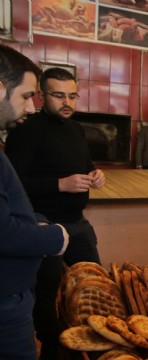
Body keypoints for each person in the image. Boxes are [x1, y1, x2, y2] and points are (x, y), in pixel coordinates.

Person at [4, 67, 105, 359]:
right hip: (43, 226)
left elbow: (85, 163)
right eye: (58, 95)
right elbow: (16, 184)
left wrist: (95, 173)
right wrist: (59, 184)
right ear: (43, 95)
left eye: (72, 96)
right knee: (46, 296)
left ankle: (98, 344)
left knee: (95, 287)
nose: (67, 103)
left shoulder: (76, 128)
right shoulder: (25, 130)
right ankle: (53, 346)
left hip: (78, 223)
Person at [0, 44, 69, 360]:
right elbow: (5, 233)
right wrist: (55, 236)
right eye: (27, 96)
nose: (31, 107)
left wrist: (32, 218)